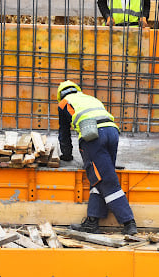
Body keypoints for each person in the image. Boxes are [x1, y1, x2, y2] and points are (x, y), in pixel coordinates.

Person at [56, 80, 137, 235]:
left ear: (61, 95)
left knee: (107, 181)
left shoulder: (64, 103)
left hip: (93, 136)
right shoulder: (90, 98)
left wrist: (67, 155)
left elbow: (64, 133)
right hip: (112, 133)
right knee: (99, 177)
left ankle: (129, 222)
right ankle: (92, 221)